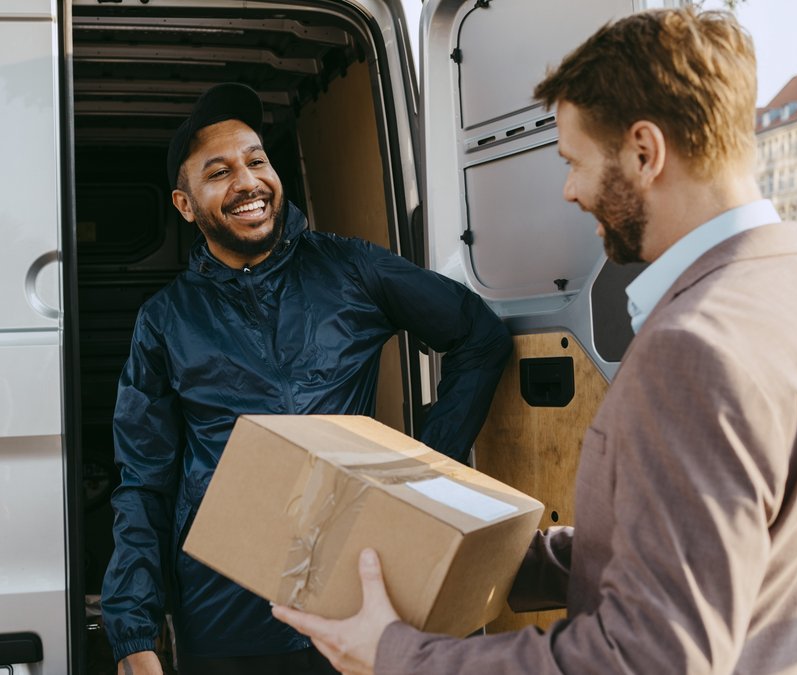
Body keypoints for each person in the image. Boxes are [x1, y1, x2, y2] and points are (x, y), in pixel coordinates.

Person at [273, 8, 797, 675]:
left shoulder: (696, 349)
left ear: (644, 152)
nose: (569, 190)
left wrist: (396, 653)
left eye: (574, 161)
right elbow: (690, 551)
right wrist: (467, 551)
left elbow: (643, 657)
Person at [101, 83, 514, 675]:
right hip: (224, 621)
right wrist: (134, 632)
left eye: (256, 160)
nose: (247, 181)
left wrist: (424, 473)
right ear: (185, 204)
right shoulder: (165, 321)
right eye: (218, 172)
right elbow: (143, 483)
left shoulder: (350, 268)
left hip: (355, 604)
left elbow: (480, 337)